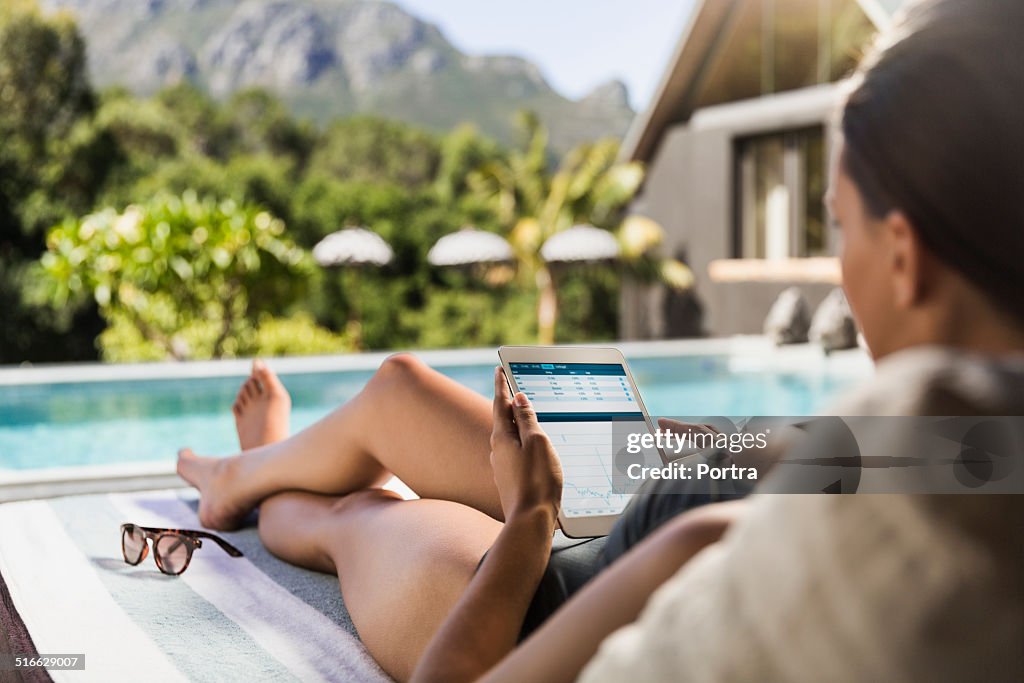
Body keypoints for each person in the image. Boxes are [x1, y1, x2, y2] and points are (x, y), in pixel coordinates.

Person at [177, 0, 1024, 680]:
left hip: (524, 600)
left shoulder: (825, 542)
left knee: (358, 511)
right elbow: (797, 457)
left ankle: (259, 468)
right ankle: (249, 471)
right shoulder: (964, 435)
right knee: (398, 388)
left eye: (843, 228)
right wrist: (673, 445)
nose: (842, 266)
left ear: (904, 256)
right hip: (610, 514)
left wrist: (529, 521)